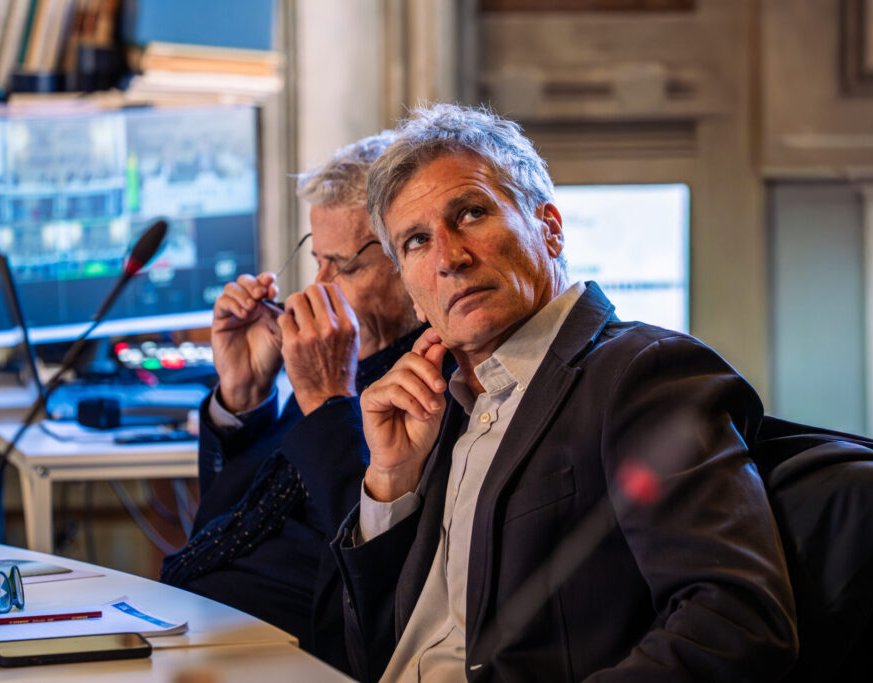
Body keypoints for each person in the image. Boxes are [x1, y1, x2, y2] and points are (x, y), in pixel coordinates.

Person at [331, 104, 799, 682]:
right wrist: (391, 481)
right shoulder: (437, 409)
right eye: (417, 241)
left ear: (549, 228)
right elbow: (375, 651)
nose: (449, 258)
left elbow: (735, 624)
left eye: (472, 213)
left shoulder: (643, 372)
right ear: (410, 290)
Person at [160, 131, 422, 673]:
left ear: (411, 261)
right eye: (317, 260)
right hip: (197, 622)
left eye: (344, 266)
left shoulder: (431, 383)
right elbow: (220, 525)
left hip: (294, 656)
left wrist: (328, 401)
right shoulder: (338, 361)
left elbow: (376, 561)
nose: (319, 286)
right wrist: (243, 397)